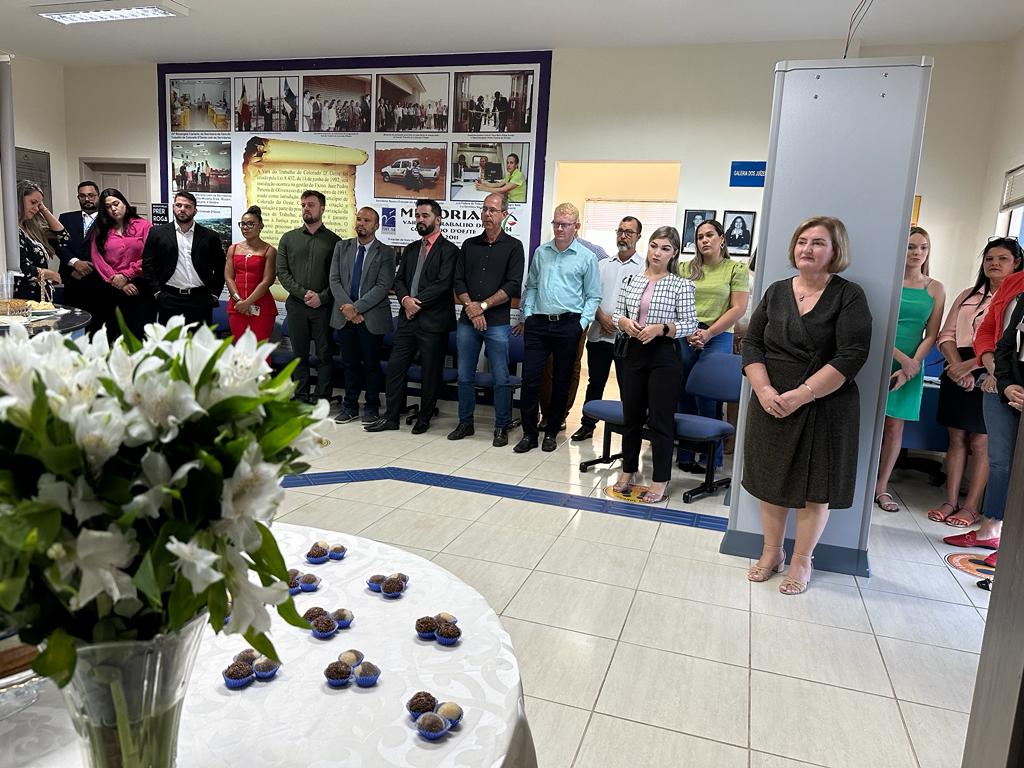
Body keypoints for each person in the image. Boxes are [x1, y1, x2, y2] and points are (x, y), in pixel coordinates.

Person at [742, 216, 872, 595]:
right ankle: (771, 553)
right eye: (802, 241)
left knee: (816, 487)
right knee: (770, 480)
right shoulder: (776, 291)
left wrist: (802, 394)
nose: (807, 249)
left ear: (835, 251)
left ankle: (802, 560)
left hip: (824, 404)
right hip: (770, 401)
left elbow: (852, 354)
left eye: (818, 242)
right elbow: (752, 343)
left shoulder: (849, 295)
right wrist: (764, 390)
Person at [928, 239, 1022, 526]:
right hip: (957, 368)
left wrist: (973, 368)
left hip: (991, 371)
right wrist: (957, 366)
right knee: (956, 439)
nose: (994, 263)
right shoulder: (968, 295)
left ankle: (971, 507)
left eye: (1003, 259)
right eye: (989, 258)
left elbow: (1000, 343)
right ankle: (950, 500)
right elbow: (947, 334)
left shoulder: (1014, 300)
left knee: (981, 442)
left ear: (1017, 263)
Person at [611, 226, 697, 503]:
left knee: (660, 419)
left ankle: (660, 478)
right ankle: (628, 469)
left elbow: (690, 324)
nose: (657, 253)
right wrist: (624, 322)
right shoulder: (631, 280)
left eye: (665, 248)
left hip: (664, 355)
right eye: (654, 246)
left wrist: (662, 328)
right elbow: (617, 314)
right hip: (634, 352)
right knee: (631, 416)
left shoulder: (681, 285)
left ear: (674, 253)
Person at [514, 203, 602, 453]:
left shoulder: (587, 257)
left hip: (568, 325)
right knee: (530, 380)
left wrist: (581, 324)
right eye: (556, 224)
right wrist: (528, 314)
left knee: (562, 381)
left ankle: (552, 432)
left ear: (576, 226)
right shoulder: (541, 252)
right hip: (538, 324)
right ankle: (529, 434)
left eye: (565, 225)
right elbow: (532, 285)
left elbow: (593, 296)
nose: (560, 229)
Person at [365, 199, 458, 434]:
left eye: (425, 216)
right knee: (395, 368)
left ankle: (424, 418)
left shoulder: (450, 250)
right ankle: (391, 417)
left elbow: (443, 284)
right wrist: (406, 299)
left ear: (438, 219)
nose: (420, 220)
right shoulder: (411, 249)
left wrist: (416, 303)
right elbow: (399, 280)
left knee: (430, 374)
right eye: (417, 216)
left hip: (433, 322)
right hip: (407, 319)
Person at [874, 227, 945, 512]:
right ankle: (859, 482)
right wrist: (902, 359)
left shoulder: (935, 288)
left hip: (914, 365)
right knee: (870, 423)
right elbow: (878, 326)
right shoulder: (888, 281)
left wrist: (911, 366)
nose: (917, 253)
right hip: (883, 356)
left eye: (923, 247)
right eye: (911, 247)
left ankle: (881, 487)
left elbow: (932, 334)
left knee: (894, 426)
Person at [450, 193, 525, 446]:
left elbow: (513, 285)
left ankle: (501, 426)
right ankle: (465, 423)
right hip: (467, 321)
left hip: (497, 322)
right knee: (464, 375)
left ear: (504, 214)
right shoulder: (469, 245)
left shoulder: (514, 246)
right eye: (484, 209)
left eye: (493, 210)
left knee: (500, 377)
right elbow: (458, 280)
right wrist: (471, 308)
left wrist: (481, 307)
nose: (487, 214)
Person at [675, 219, 750, 472]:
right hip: (686, 333)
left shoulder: (735, 269)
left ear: (722, 239)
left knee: (708, 396)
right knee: (684, 394)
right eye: (699, 237)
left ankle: (711, 457)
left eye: (709, 235)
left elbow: (738, 308)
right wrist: (688, 330)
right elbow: (676, 303)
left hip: (718, 335)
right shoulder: (685, 268)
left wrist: (708, 333)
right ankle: (685, 454)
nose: (704, 240)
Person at [572, 216, 644, 441]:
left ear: (638, 237)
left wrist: (618, 322)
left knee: (627, 387)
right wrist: (602, 318)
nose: (623, 236)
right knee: (595, 383)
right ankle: (587, 425)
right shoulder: (601, 264)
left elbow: (644, 303)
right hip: (598, 335)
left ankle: (629, 430)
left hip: (626, 339)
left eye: (629, 232)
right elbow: (588, 295)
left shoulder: (645, 268)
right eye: (620, 231)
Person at [329, 207, 395, 424]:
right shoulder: (342, 247)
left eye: (367, 220)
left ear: (376, 226)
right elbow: (334, 280)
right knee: (349, 364)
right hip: (345, 316)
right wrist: (348, 309)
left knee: (371, 365)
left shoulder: (385, 252)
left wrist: (356, 309)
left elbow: (383, 286)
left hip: (370, 317)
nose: (361, 223)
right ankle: (350, 406)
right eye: (359, 219)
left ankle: (372, 406)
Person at [276, 190, 341, 403]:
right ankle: (301, 396)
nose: (306, 208)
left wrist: (322, 297)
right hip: (297, 305)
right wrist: (304, 294)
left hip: (323, 307)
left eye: (311, 205)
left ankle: (322, 397)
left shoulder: (335, 241)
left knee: (324, 355)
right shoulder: (288, 238)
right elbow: (282, 272)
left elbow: (338, 277)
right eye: (303, 204)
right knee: (299, 355)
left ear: (322, 208)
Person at [142, 190, 227, 327]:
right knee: (171, 339)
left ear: (195, 210)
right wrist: (157, 292)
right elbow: (147, 264)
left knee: (199, 339)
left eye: (187, 206)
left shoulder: (210, 236)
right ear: (173, 207)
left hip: (200, 299)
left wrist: (214, 294)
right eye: (178, 205)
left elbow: (221, 267)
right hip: (169, 298)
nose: (182, 209)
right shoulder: (157, 233)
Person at [90, 187, 153, 340]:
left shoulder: (143, 225)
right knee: (112, 334)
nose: (113, 209)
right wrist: (117, 280)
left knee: (139, 334)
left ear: (124, 203)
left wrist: (127, 275)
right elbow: (97, 258)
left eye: (116, 204)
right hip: (111, 287)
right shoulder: (100, 230)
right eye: (107, 206)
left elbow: (150, 255)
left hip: (139, 286)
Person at [224, 205, 278, 342]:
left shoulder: (269, 250)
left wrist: (247, 302)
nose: (245, 227)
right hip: (237, 307)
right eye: (243, 224)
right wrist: (239, 301)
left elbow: (267, 281)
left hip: (262, 307)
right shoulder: (233, 248)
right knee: (240, 349)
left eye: (250, 224)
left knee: (259, 349)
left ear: (261, 226)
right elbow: (229, 277)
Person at [57, 180, 104, 334]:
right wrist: (75, 262)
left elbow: (111, 249)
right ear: (78, 198)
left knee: (98, 328)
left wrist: (87, 267)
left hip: (100, 282)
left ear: (98, 196)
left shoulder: (108, 220)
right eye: (82, 196)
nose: (87, 199)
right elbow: (59, 244)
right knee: (72, 327)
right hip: (73, 280)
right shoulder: (66, 219)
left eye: (91, 195)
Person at [15, 180, 65, 301]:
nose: (36, 208)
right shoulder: (12, 231)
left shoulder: (30, 228)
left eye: (39, 205)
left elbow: (63, 236)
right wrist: (51, 274)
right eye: (33, 202)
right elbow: (23, 269)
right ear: (18, 199)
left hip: (40, 298)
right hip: (25, 299)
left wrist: (43, 209)